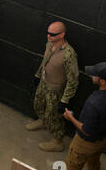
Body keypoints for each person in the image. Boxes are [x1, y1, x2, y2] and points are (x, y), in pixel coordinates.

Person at [26, 21, 79, 152]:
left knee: (54, 116)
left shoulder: (69, 54)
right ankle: (43, 121)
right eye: (48, 33)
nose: (49, 36)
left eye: (53, 34)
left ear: (62, 35)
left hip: (55, 90)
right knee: (37, 105)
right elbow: (45, 61)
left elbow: (73, 80)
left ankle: (57, 141)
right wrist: (38, 75)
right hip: (44, 83)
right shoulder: (49, 45)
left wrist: (64, 100)